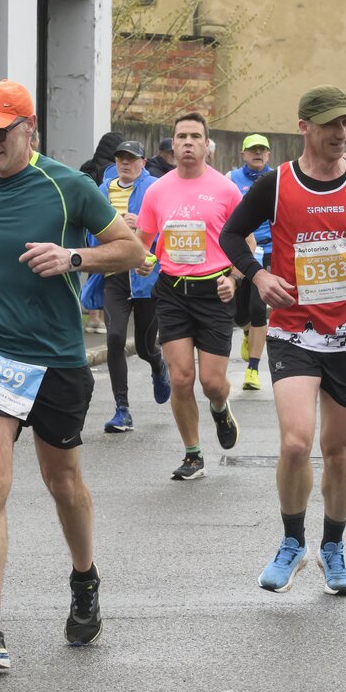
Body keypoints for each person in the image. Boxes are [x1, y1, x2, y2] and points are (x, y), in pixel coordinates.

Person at [0, 80, 146, 671]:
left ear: (29, 130)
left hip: (56, 357)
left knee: (63, 481)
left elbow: (132, 250)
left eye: (0, 131)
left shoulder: (69, 186)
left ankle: (84, 578)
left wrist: (74, 258)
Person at [219, 85, 346, 594]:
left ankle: (333, 548)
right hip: (292, 331)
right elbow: (230, 234)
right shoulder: (276, 183)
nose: (342, 132)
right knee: (296, 443)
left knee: (338, 449)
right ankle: (292, 542)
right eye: (330, 124)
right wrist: (257, 275)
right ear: (304, 127)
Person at [136, 111, 246, 481]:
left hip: (215, 291)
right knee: (181, 378)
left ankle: (220, 407)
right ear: (172, 144)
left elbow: (246, 245)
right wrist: (142, 260)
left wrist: (234, 278)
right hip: (172, 292)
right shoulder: (157, 190)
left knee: (212, 383)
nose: (187, 143)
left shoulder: (226, 190)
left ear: (206, 145)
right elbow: (143, 242)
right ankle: (193, 454)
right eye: (181, 136)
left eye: (195, 136)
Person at [95, 139, 168, 433]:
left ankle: (158, 365)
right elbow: (90, 230)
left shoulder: (155, 188)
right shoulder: (102, 190)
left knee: (145, 347)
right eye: (120, 158)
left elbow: (168, 228)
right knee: (114, 337)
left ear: (143, 162)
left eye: (131, 158)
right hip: (114, 274)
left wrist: (141, 226)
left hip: (145, 276)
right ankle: (122, 410)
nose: (125, 163)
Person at [227, 134, 275, 390]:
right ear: (243, 154)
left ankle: (253, 369)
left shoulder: (276, 179)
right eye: (252, 150)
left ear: (268, 154)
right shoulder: (231, 179)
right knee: (238, 311)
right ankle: (247, 332)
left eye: (262, 150)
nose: (258, 153)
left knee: (258, 308)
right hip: (241, 249)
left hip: (269, 250)